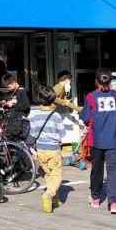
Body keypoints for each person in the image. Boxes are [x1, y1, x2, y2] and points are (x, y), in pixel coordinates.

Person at [81, 68, 116, 214]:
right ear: (111, 81)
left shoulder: (91, 97)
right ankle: (114, 203)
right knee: (113, 171)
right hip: (113, 139)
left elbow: (86, 118)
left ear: (96, 82)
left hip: (96, 139)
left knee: (97, 170)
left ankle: (95, 198)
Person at [29, 85, 67, 214]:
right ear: (52, 99)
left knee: (48, 174)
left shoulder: (33, 115)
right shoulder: (56, 116)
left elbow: (33, 134)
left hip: (40, 149)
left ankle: (54, 201)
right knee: (56, 175)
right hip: (53, 148)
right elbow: (62, 133)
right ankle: (49, 194)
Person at [0, 72, 31, 142]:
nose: (8, 89)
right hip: (12, 122)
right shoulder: (13, 92)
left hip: (17, 124)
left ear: (14, 82)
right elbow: (9, 101)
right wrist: (5, 104)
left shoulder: (22, 92)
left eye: (9, 86)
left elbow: (26, 106)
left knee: (15, 144)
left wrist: (13, 105)